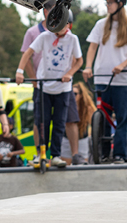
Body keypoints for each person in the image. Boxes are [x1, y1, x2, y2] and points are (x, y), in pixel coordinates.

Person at [83, 0, 127, 163]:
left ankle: (119, 154)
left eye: (110, 3)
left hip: (123, 79)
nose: (107, 6)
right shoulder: (101, 25)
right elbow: (92, 47)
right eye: (107, 3)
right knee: (102, 118)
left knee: (122, 118)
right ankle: (102, 153)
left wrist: (122, 65)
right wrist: (88, 67)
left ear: (120, 4)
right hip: (102, 78)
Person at [16, 21, 83, 169]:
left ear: (69, 26)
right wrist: (19, 72)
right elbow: (28, 52)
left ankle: (56, 155)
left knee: (59, 122)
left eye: (62, 26)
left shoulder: (73, 39)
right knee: (42, 121)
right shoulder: (45, 36)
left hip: (63, 88)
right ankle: (41, 154)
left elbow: (79, 61)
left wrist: (70, 73)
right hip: (44, 86)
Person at [20, 0, 54, 152]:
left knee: (58, 119)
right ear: (46, 11)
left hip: (57, 83)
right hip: (40, 83)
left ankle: (58, 152)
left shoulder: (61, 30)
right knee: (39, 119)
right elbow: (26, 58)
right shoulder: (32, 32)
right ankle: (39, 152)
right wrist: (34, 80)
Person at [63, 82, 96, 164]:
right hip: (66, 138)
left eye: (75, 94)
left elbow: (94, 124)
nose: (72, 96)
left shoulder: (87, 108)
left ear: (81, 95)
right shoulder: (65, 105)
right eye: (71, 94)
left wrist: (90, 134)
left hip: (82, 139)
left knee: (82, 165)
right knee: (65, 165)